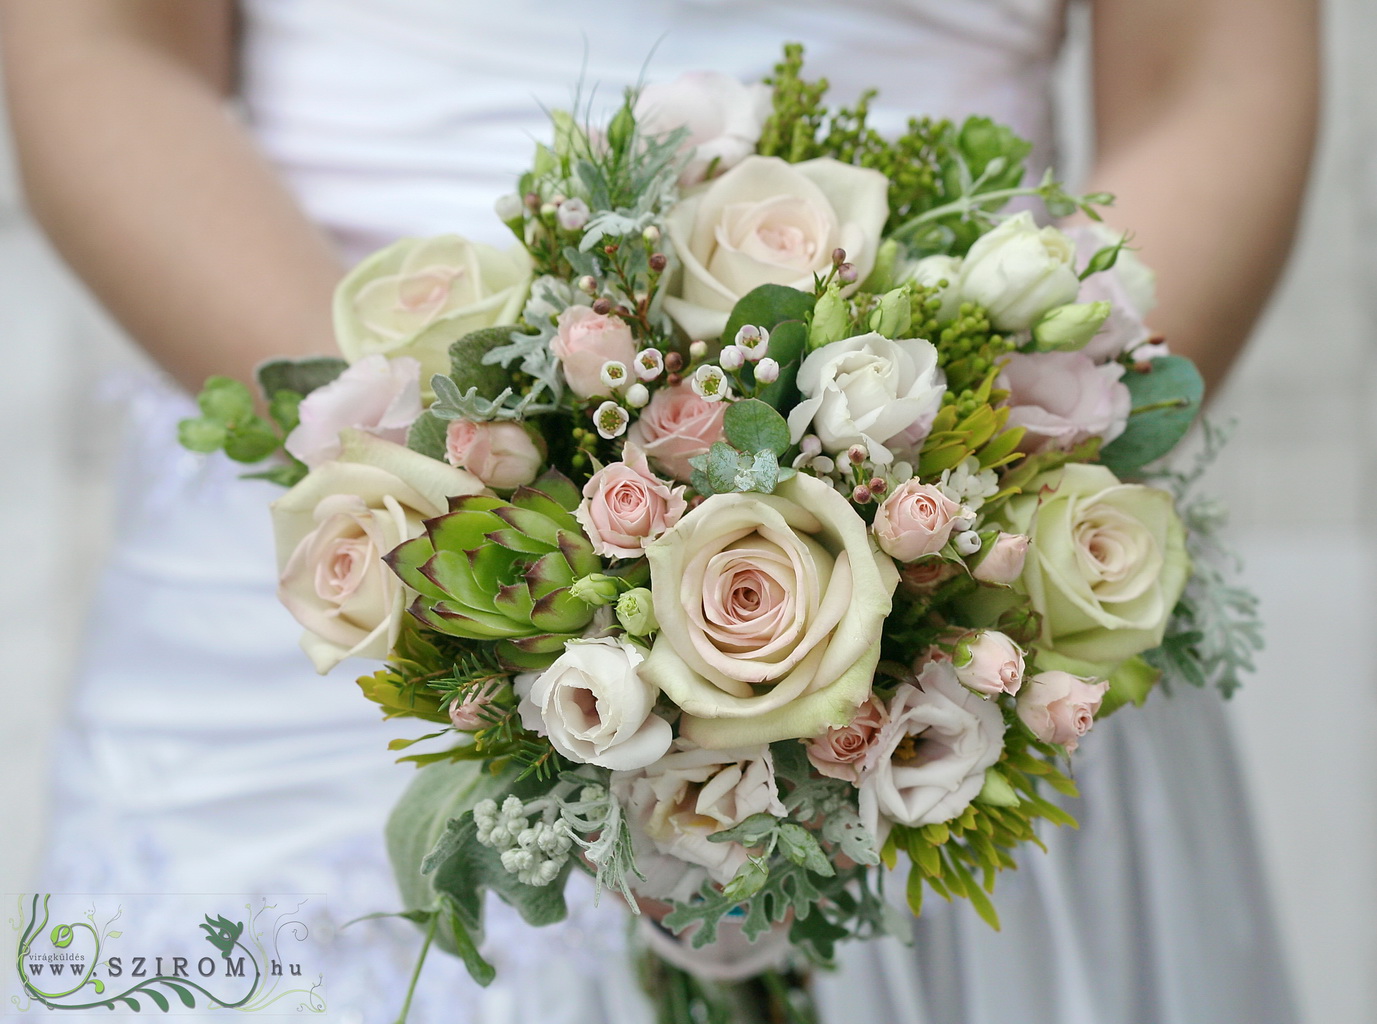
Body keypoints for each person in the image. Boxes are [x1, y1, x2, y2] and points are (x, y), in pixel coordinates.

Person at [1, 1, 1317, 1021]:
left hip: (969, 547)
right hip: (334, 517)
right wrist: (454, 495)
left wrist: (977, 491)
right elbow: (104, 46)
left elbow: (1209, 70)